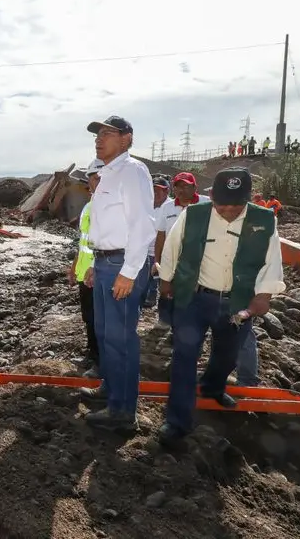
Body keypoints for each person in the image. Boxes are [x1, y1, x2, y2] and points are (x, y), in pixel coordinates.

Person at [156, 167, 285, 446]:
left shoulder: (264, 221)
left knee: (228, 354)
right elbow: (171, 248)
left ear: (249, 200)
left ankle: (213, 387)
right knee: (183, 357)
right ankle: (177, 422)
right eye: (222, 204)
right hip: (195, 298)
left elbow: (271, 260)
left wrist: (264, 295)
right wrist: (166, 281)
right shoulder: (193, 215)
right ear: (211, 196)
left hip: (236, 302)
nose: (228, 211)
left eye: (236, 206)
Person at [81, 115, 154, 432]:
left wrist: (128, 272)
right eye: (97, 134)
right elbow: (106, 226)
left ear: (126, 139)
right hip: (104, 264)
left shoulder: (132, 172)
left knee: (121, 339)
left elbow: (142, 226)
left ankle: (124, 412)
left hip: (122, 265)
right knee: (103, 332)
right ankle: (110, 390)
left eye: (107, 133)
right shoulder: (106, 176)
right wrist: (96, 266)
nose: (99, 139)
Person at [153, 172, 210, 326]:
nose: (181, 190)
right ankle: (165, 320)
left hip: (198, 259)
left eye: (186, 186)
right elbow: (161, 236)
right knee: (166, 290)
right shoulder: (167, 207)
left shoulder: (207, 204)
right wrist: (157, 260)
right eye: (178, 186)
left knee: (193, 293)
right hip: (171, 258)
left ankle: (185, 326)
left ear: (195, 187)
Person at [69, 159, 106, 371]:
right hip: (86, 272)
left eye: (102, 178)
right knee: (89, 317)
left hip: (100, 272)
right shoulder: (88, 207)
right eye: (94, 178)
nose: (98, 182)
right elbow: (83, 241)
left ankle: (100, 361)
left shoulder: (110, 206)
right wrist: (75, 266)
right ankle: (92, 353)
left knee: (99, 319)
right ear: (89, 182)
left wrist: (95, 268)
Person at [142, 175, 170, 309]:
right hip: (146, 251)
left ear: (166, 191)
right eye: (153, 190)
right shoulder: (146, 206)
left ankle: (164, 314)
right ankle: (149, 298)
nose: (155, 193)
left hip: (164, 253)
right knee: (146, 279)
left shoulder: (170, 207)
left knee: (163, 283)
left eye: (159, 190)